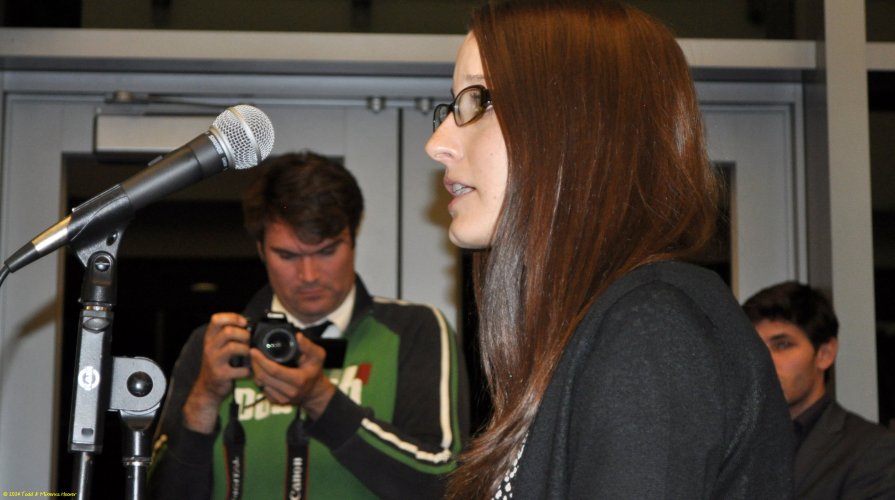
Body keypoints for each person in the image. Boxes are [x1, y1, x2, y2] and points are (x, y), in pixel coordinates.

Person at [425, 1, 793, 498]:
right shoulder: (595, 328)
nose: (438, 142)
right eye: (452, 107)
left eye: (479, 100)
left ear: (581, 123)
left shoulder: (650, 325)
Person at [149, 151, 470, 499]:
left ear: (353, 238)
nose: (309, 275)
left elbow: (446, 484)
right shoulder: (218, 346)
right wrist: (204, 400)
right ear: (261, 250)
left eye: (326, 251)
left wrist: (323, 401)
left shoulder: (414, 330)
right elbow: (159, 493)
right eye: (287, 256)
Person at [743, 281, 895, 499]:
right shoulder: (734, 440)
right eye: (755, 347)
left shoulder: (871, 449)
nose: (764, 361)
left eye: (782, 345)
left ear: (825, 354)